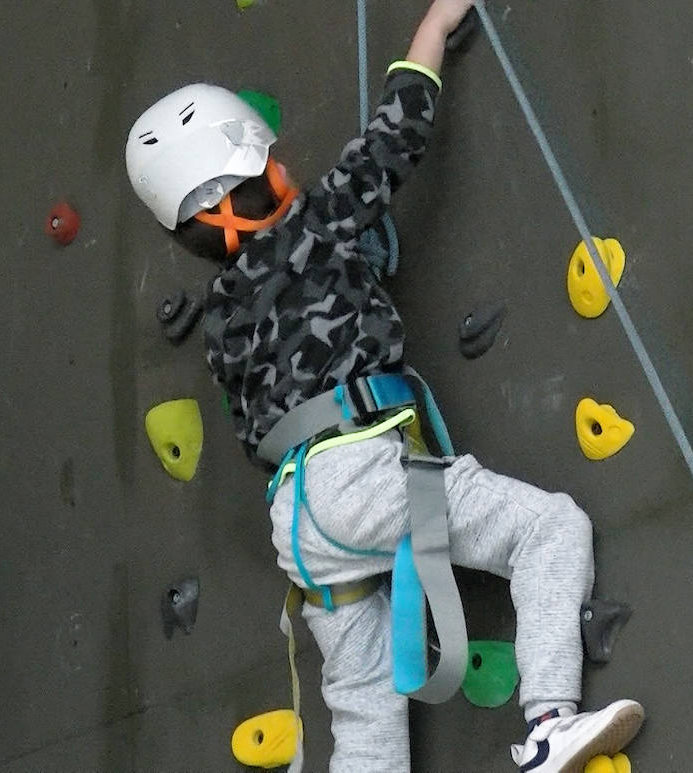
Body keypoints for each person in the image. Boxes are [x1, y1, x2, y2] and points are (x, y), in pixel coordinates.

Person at [123, 2, 643, 770]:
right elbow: (395, 138)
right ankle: (548, 722)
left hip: (299, 528)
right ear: (264, 173)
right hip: (360, 471)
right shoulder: (319, 224)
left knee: (364, 710)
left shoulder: (219, 321)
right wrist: (433, 27)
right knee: (548, 530)